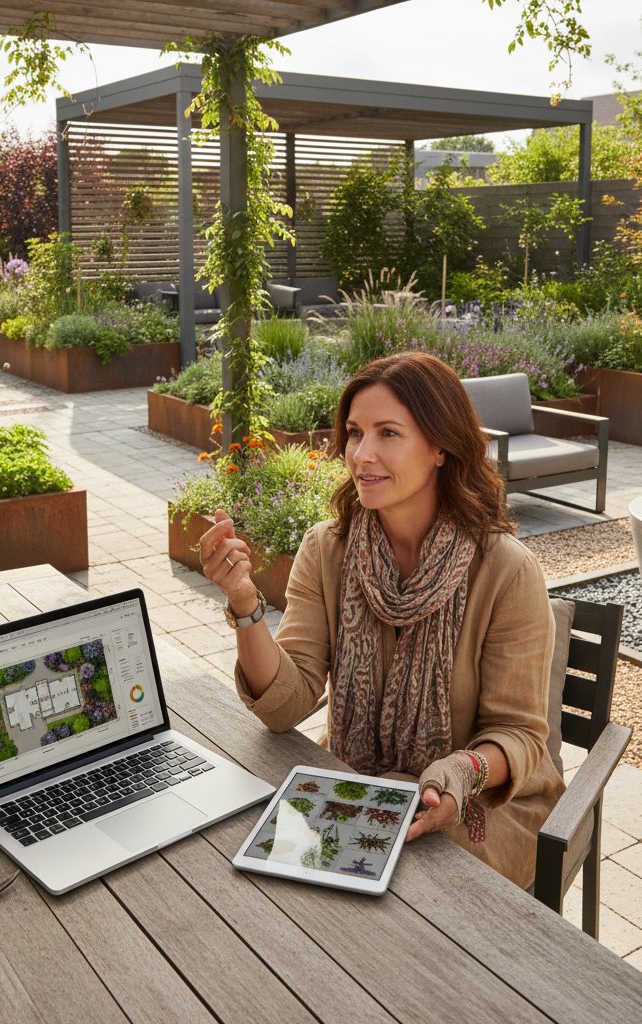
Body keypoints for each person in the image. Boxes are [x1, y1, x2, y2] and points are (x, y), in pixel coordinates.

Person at [198, 351, 564, 888]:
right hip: (361, 785)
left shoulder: (505, 570)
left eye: (388, 433)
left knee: (403, 914)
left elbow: (519, 735)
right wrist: (246, 603)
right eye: (353, 432)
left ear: (442, 447)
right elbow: (284, 705)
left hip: (479, 806)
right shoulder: (327, 550)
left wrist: (460, 773)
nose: (361, 454)